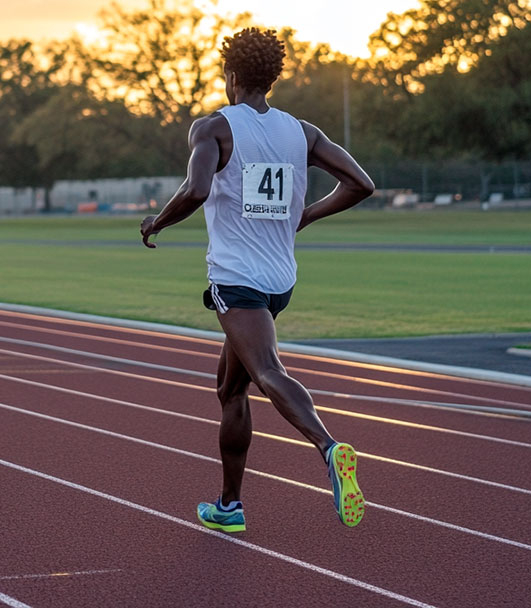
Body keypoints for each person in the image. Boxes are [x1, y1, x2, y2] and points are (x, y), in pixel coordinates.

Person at [139, 27, 374, 532]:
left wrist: (158, 220)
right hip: (279, 281)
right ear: (270, 78)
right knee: (230, 388)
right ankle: (229, 506)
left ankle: (329, 449)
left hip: (236, 278)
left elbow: (197, 187)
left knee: (266, 370)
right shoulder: (301, 131)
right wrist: (305, 215)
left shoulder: (214, 128)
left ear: (231, 75)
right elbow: (361, 184)